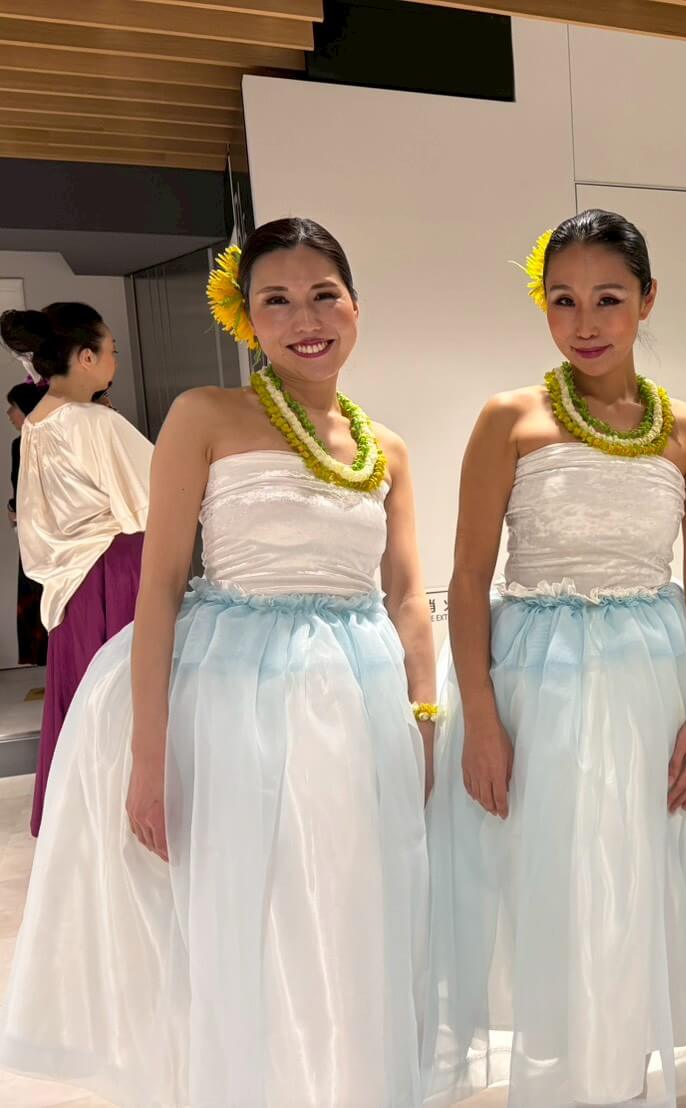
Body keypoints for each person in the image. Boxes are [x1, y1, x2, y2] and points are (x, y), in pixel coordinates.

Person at [0, 218, 436, 1107]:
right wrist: (147, 757)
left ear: (355, 306)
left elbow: (404, 595)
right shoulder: (205, 414)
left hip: (357, 700)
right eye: (276, 300)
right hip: (234, 695)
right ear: (246, 318)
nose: (304, 319)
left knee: (351, 910)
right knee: (249, 911)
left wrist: (424, 718)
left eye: (323, 295)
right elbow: (160, 586)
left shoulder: (385, 446)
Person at [427, 209, 686, 1108]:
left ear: (647, 299)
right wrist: (480, 718)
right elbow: (468, 574)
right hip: (537, 676)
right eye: (562, 301)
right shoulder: (510, 418)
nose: (585, 322)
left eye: (608, 298)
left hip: (653, 672)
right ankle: (567, 1076)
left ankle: (632, 1072)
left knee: (646, 873)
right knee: (548, 877)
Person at [2, 303, 150, 836]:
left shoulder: (38, 422)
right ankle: (128, 820)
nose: (115, 361)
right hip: (116, 570)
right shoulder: (94, 422)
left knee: (84, 694)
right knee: (126, 697)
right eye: (112, 350)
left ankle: (82, 826)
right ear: (86, 357)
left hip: (72, 583)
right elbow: (162, 491)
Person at [6, 380, 47, 666]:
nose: (9, 413)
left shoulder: (30, 443)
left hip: (41, 532)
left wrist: (14, 510)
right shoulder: (20, 444)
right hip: (32, 530)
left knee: (40, 593)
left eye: (13, 407)